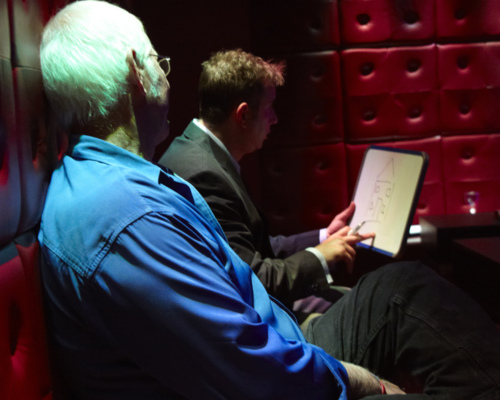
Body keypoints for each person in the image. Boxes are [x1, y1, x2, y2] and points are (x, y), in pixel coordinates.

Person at [38, 2, 500, 400]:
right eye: (160, 62)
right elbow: (254, 368)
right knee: (401, 303)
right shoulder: (128, 219)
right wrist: (364, 381)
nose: (166, 75)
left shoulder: (110, 185)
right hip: (282, 370)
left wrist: (321, 240)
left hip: (280, 342)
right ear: (137, 73)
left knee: (401, 285)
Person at [159, 50, 370, 312]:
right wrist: (320, 257)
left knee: (356, 302)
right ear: (243, 115)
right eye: (269, 108)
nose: (275, 118)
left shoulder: (197, 153)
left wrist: (325, 236)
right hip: (245, 322)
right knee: (365, 308)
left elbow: (255, 248)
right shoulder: (205, 176)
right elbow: (253, 281)